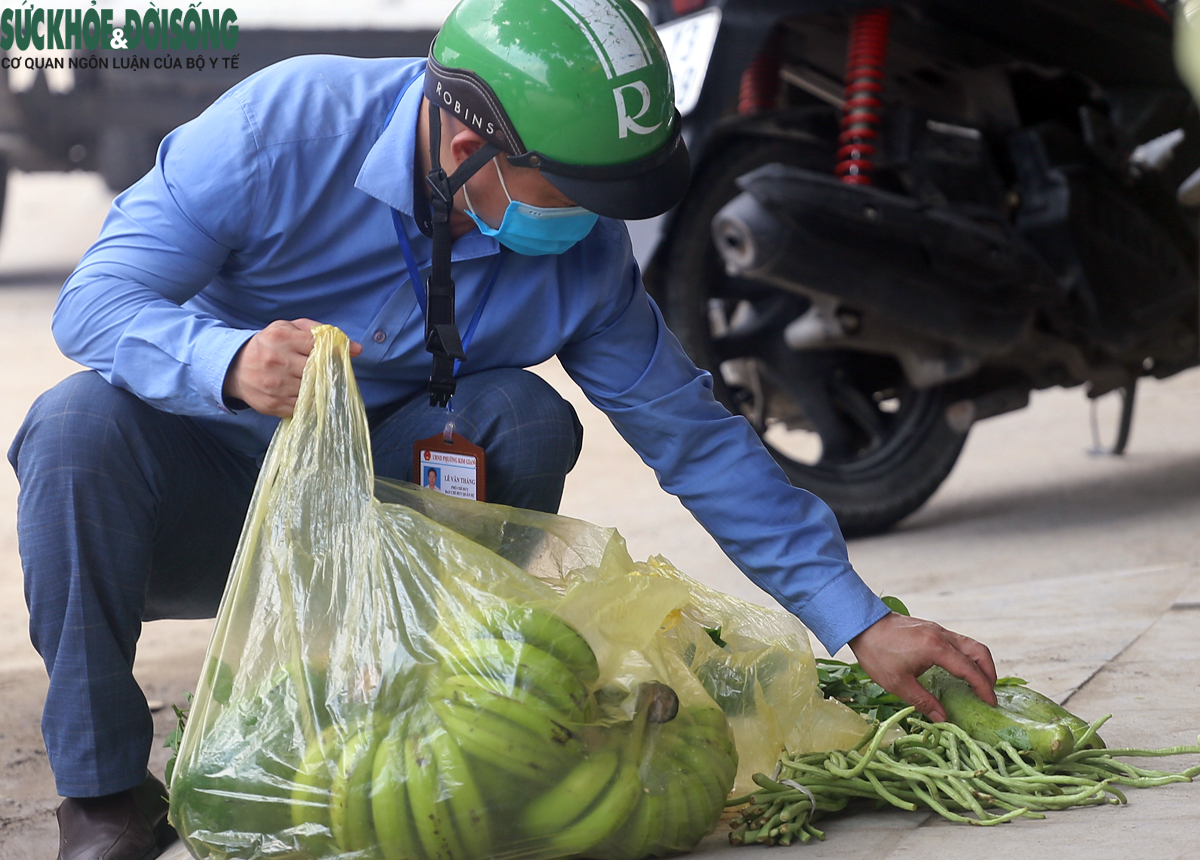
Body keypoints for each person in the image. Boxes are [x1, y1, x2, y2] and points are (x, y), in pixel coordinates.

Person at [8, 0, 996, 857]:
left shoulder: (584, 257)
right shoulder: (285, 131)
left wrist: (860, 617)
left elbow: (691, 434)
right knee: (74, 424)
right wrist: (223, 363)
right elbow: (94, 303)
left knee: (520, 420)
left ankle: (422, 730)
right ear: (462, 143)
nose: (592, 223)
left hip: (379, 515)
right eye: (570, 190)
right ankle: (102, 792)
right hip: (204, 499)